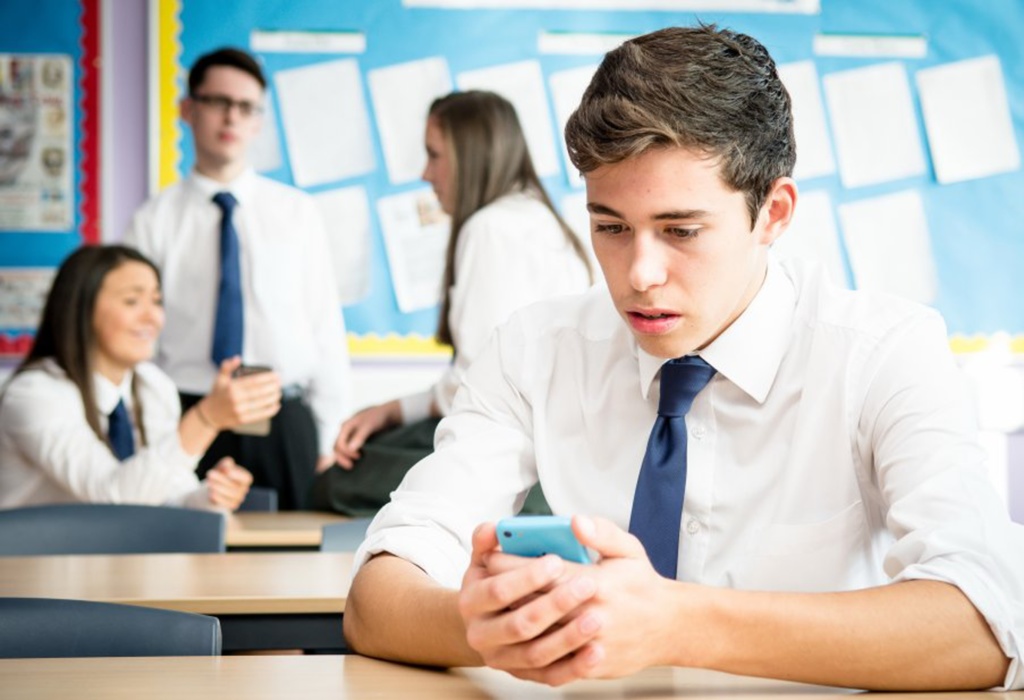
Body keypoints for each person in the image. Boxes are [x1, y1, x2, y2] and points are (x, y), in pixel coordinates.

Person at [342, 25, 1024, 691]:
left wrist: (673, 624)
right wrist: (498, 626)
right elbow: (377, 596)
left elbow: (982, 625)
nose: (639, 273)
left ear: (774, 214)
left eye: (681, 230)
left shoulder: (885, 354)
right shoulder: (532, 348)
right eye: (610, 227)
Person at [317, 90, 592, 515]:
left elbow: (475, 384)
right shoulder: (544, 220)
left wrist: (390, 412)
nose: (426, 174)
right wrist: (390, 411)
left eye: (434, 155)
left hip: (508, 449)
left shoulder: (490, 228)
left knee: (333, 480)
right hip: (556, 453)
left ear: (471, 155)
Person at [124, 47, 352, 510]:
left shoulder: (296, 213)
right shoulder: (154, 219)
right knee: (185, 563)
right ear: (188, 110)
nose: (231, 116)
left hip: (282, 419)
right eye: (217, 102)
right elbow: (134, 333)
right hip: (189, 416)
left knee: (293, 566)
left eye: (245, 107)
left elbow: (324, 328)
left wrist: (328, 435)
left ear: (258, 121)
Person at [0, 244, 280, 510]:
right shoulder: (34, 394)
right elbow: (113, 498)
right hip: (36, 559)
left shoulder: (154, 386)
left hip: (111, 557)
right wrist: (206, 420)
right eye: (132, 301)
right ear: (81, 309)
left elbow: (164, 498)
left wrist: (210, 496)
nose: (153, 317)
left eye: (157, 301)